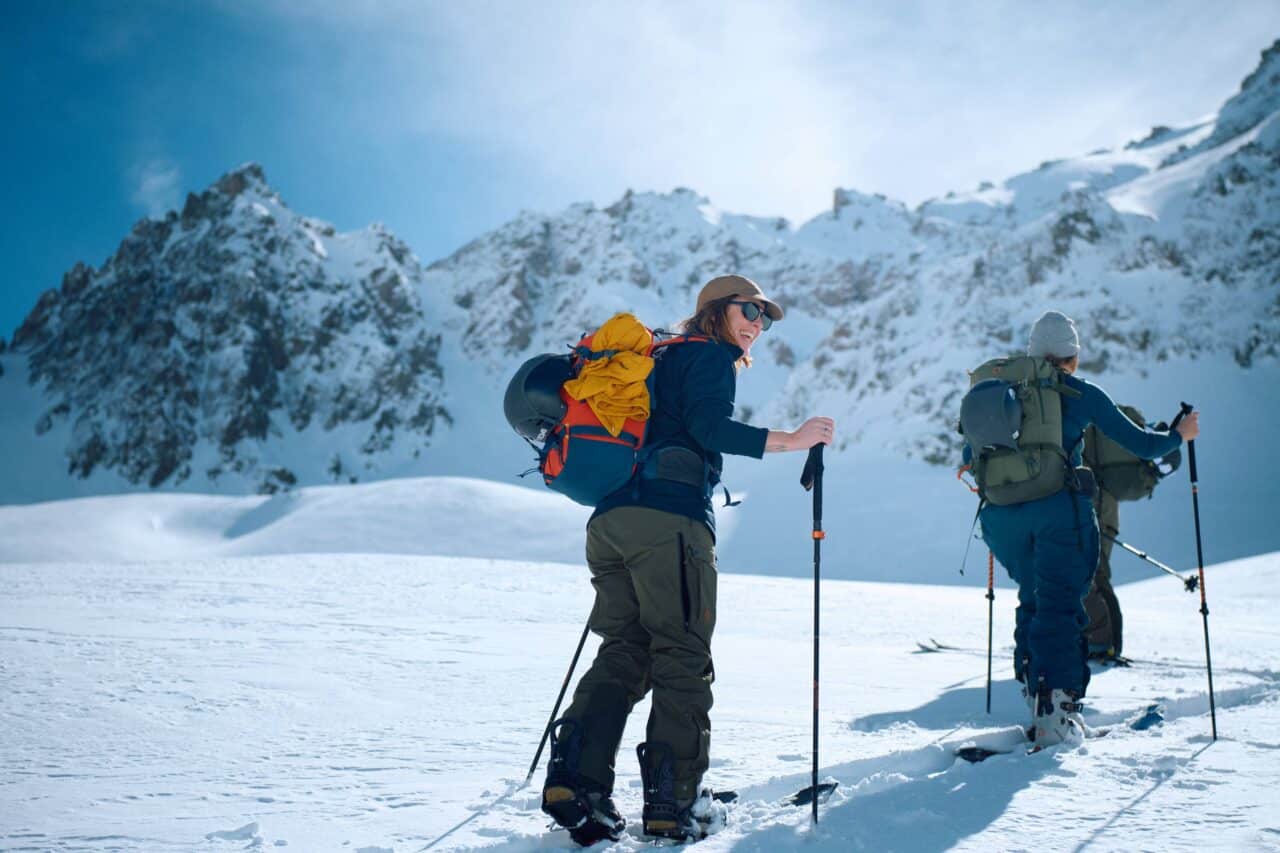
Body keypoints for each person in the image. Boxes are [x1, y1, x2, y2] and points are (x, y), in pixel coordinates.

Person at [540, 274, 835, 844]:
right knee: (681, 655)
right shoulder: (707, 356)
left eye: (765, 317)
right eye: (749, 310)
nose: (757, 324)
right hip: (669, 520)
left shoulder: (658, 358)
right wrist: (792, 439)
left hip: (612, 522)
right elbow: (708, 427)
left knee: (626, 648)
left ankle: (576, 783)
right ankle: (674, 806)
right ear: (715, 311)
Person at [972, 310, 1199, 747]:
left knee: (1034, 599)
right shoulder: (1079, 392)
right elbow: (1143, 445)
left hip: (1001, 520)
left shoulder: (1000, 390)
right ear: (1073, 357)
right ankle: (1058, 714)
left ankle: (1038, 698)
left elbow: (972, 450)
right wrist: (1180, 435)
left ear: (1033, 353)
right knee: (1061, 607)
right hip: (1057, 516)